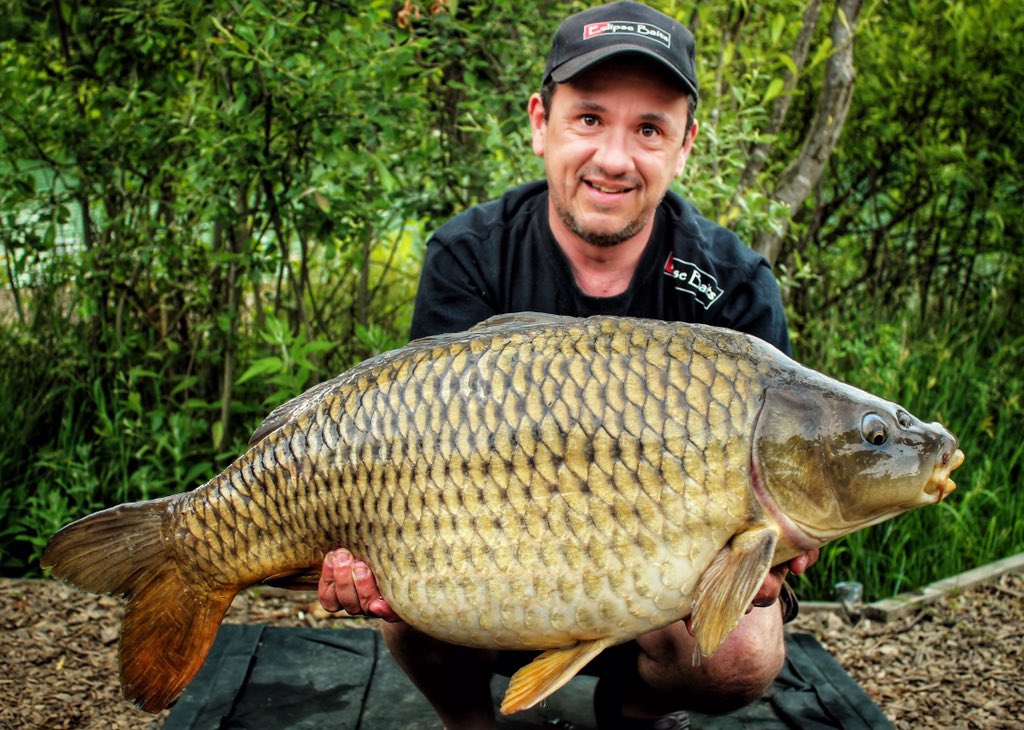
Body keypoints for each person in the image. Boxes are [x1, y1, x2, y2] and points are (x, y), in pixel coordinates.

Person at [318, 2, 818, 727]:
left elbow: (787, 481)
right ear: (538, 123)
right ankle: (469, 720)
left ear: (684, 148)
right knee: (402, 586)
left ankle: (633, 712)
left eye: (649, 129)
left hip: (663, 595)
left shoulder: (733, 285)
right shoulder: (470, 255)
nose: (614, 157)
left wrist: (767, 560)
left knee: (742, 653)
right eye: (589, 119)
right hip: (493, 572)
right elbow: (411, 451)